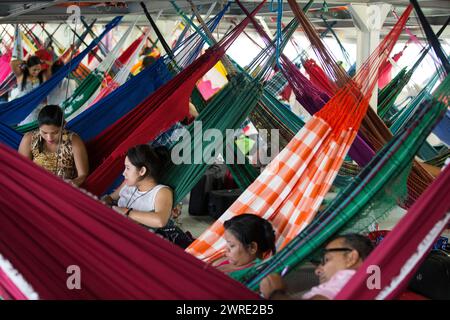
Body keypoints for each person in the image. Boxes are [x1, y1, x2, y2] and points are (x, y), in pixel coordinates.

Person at [259, 233, 374, 300]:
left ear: (351, 258)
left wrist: (275, 293)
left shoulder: (349, 277)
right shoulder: (367, 282)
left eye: (326, 259)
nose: (317, 271)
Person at [100, 144, 174, 230]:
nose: (124, 173)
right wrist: (104, 202)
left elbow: (160, 220)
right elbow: (110, 198)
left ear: (142, 171)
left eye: (128, 168)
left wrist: (127, 212)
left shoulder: (161, 192)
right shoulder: (128, 184)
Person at [18, 104, 89, 187]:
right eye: (44, 132)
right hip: (35, 189)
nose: (49, 138)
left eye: (55, 132)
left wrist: (70, 185)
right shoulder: (29, 139)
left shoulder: (73, 141)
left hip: (64, 191)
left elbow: (83, 175)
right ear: (38, 127)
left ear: (64, 125)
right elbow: (21, 170)